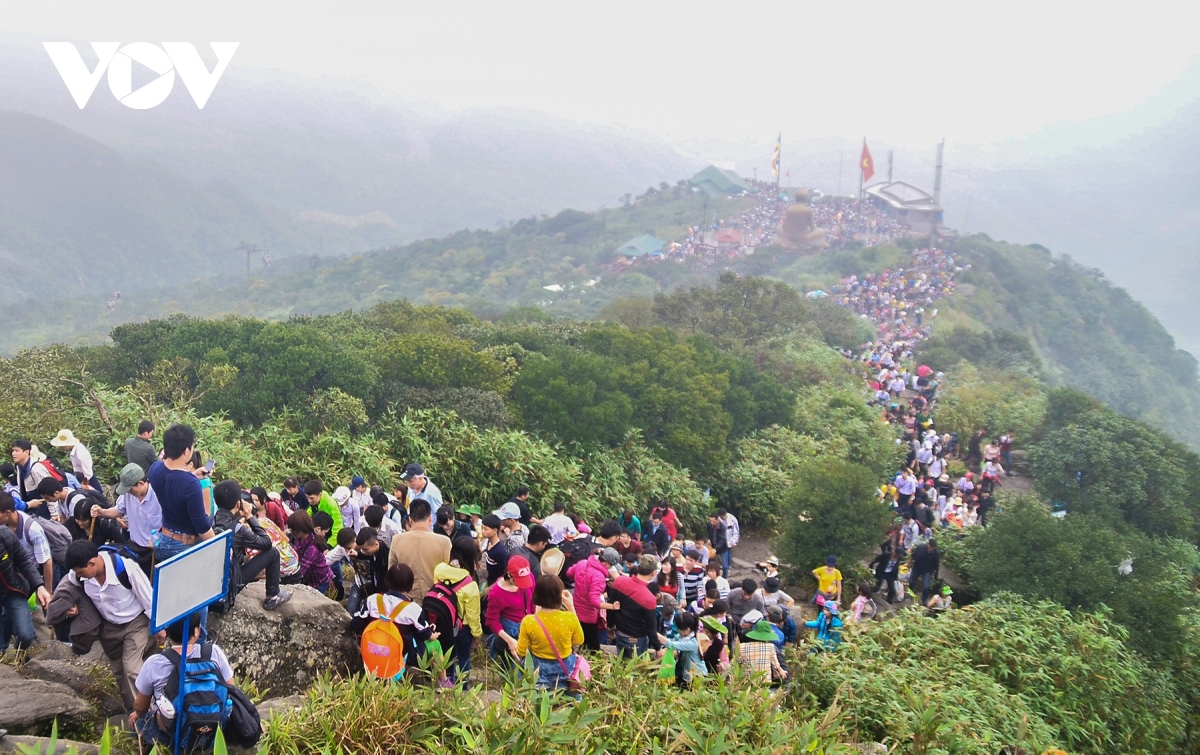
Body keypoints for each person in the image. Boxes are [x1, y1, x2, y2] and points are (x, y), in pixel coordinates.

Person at [63, 540, 160, 711]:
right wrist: (70, 606)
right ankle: (131, 710)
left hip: (135, 623)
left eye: (81, 572)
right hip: (108, 628)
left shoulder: (125, 569)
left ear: (92, 563)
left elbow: (149, 599)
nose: (80, 576)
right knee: (119, 672)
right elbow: (67, 589)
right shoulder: (79, 576)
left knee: (131, 669)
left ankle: (149, 715)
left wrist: (159, 627)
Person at [128, 617, 235, 749]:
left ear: (167, 631)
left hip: (173, 734)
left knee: (139, 723)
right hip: (214, 727)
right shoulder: (214, 652)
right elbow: (231, 688)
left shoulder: (154, 663)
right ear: (196, 631)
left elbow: (140, 706)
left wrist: (137, 714)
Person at [212, 481, 292, 610]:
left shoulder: (209, 522)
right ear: (238, 503)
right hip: (228, 588)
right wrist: (249, 516)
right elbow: (266, 543)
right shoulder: (238, 529)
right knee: (272, 553)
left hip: (211, 588)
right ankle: (273, 596)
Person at [147, 425, 214, 565]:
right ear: (186, 451)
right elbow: (201, 526)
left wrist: (193, 475)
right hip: (183, 546)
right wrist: (220, 547)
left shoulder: (154, 469)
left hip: (163, 540)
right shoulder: (190, 484)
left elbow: (172, 482)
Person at [516, 574, 584, 696]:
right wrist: (571, 607)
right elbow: (579, 640)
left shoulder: (529, 621)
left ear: (536, 595)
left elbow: (521, 652)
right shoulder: (569, 618)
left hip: (539, 672)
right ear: (560, 596)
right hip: (565, 670)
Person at [433, 536, 481, 680]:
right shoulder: (470, 584)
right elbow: (473, 615)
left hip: (442, 622)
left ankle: (446, 682)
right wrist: (477, 634)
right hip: (462, 628)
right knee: (463, 657)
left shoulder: (439, 569)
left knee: (447, 655)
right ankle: (462, 686)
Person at [0, 516, 49, 654]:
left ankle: (18, 654)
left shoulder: (5, 535)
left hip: (13, 589)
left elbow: (24, 561)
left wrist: (40, 586)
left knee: (26, 635)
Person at [387, 499, 451, 599]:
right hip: (436, 601)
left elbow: (392, 572)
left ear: (410, 520)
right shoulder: (444, 542)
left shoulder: (397, 540)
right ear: (430, 518)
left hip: (406, 601)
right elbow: (450, 574)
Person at [605, 555, 662, 658]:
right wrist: (658, 648)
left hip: (620, 633)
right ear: (653, 573)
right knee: (635, 669)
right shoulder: (649, 598)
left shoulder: (620, 581)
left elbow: (611, 606)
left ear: (638, 568)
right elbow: (651, 628)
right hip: (636, 639)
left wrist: (610, 626)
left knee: (621, 665)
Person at [485, 552, 535, 665]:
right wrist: (509, 640)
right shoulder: (497, 594)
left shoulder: (528, 575)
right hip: (510, 630)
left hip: (528, 623)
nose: (522, 585)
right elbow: (491, 621)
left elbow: (533, 599)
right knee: (513, 666)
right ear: (509, 575)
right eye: (518, 581)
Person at [568, 546, 617, 651]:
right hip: (588, 616)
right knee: (593, 648)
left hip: (574, 609)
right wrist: (612, 606)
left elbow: (569, 573)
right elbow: (594, 601)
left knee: (577, 642)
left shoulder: (582, 563)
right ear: (607, 563)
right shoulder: (599, 577)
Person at [288, 511, 334, 593]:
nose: (291, 531)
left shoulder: (313, 547)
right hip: (309, 577)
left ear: (300, 530)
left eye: (293, 529)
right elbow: (295, 554)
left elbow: (301, 569)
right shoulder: (299, 538)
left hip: (320, 580)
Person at [656, 611, 705, 687]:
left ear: (687, 630)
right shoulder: (682, 637)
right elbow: (673, 646)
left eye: (678, 628)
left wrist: (655, 634)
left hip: (697, 677)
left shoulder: (693, 643)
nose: (677, 630)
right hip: (686, 674)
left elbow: (671, 644)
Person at [739, 619, 787, 684]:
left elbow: (737, 663)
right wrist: (781, 671)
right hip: (764, 682)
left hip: (746, 682)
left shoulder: (741, 646)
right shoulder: (770, 647)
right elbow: (776, 665)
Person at [303, 480, 343, 546]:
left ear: (320, 495)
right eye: (307, 497)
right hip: (319, 530)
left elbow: (338, 527)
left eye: (312, 498)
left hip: (330, 534)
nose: (309, 501)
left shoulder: (331, 504)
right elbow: (308, 513)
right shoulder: (314, 502)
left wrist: (329, 545)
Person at [909, 539, 941, 604]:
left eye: (932, 549)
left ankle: (924, 599)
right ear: (927, 544)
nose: (930, 550)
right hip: (917, 567)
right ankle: (910, 592)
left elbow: (937, 564)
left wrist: (936, 574)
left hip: (927, 570)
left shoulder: (936, 553)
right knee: (912, 581)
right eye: (930, 548)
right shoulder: (921, 548)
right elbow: (913, 556)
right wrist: (908, 564)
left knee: (926, 586)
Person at [718, 508, 739, 579]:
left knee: (728, 554)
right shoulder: (718, 520)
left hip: (730, 540)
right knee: (725, 557)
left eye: (723, 517)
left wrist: (734, 541)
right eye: (721, 517)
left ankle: (726, 573)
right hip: (722, 542)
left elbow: (736, 531)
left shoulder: (732, 519)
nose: (722, 518)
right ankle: (726, 570)